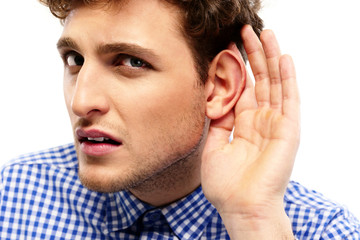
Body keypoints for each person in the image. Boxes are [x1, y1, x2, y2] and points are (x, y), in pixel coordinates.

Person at [0, 0, 358, 239]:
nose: (81, 102)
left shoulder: (321, 230)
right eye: (75, 59)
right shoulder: (12, 195)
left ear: (218, 86)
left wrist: (255, 221)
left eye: (131, 61)